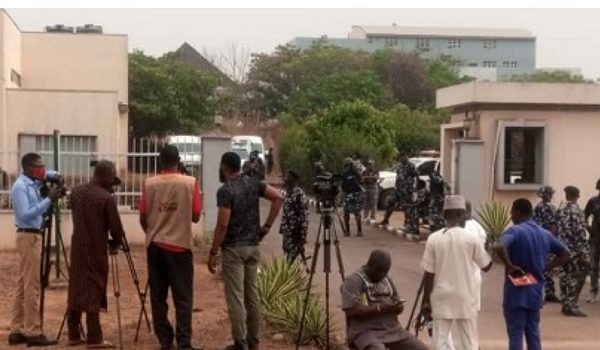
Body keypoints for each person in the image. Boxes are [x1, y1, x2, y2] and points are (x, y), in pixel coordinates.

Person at [208, 152, 283, 350]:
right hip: (252, 246)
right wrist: (265, 227)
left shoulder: (225, 190)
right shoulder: (254, 183)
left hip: (233, 249)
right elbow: (278, 198)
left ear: (224, 167)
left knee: (236, 297)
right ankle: (253, 340)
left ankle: (240, 341)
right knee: (252, 294)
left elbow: (223, 224)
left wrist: (213, 251)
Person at [139, 145, 203, 350]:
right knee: (183, 297)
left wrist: (153, 230)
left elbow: (143, 216)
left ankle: (166, 340)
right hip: (180, 247)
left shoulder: (149, 184)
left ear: (160, 161)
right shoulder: (190, 183)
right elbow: (195, 216)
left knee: (158, 297)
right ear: (178, 161)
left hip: (155, 246)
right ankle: (184, 342)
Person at [495, 198, 570, 350]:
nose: (511, 217)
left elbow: (499, 245)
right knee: (533, 332)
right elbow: (565, 254)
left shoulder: (514, 231)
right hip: (535, 289)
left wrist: (509, 265)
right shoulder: (544, 233)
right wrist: (546, 266)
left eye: (512, 213)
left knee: (516, 333)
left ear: (517, 212)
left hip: (516, 290)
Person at [420, 195, 492, 350]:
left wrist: (426, 300)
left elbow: (429, 273)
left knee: (440, 342)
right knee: (469, 343)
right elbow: (486, 266)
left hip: (441, 298)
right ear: (462, 214)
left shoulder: (434, 239)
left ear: (444, 215)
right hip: (466, 297)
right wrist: (492, 250)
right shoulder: (472, 238)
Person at [67, 160, 125, 348]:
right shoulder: (106, 198)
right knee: (94, 287)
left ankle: (73, 333)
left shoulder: (76, 192)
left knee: (76, 286)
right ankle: (94, 337)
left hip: (78, 247)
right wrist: (116, 242)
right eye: (111, 177)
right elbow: (116, 229)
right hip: (96, 249)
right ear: (106, 176)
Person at [8, 153, 63, 347]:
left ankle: (16, 329)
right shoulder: (20, 187)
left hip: (33, 235)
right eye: (39, 167)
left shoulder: (33, 181)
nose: (43, 170)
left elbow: (49, 175)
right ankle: (32, 330)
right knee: (32, 285)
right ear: (30, 169)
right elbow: (25, 214)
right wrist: (49, 200)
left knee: (23, 282)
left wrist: (56, 177)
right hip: (28, 235)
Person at [341, 249, 428, 350]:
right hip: (366, 332)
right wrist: (379, 308)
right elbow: (350, 310)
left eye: (385, 271)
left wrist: (398, 307)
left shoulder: (386, 279)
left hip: (392, 330)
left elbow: (396, 300)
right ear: (369, 264)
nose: (382, 274)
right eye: (378, 270)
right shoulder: (354, 280)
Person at [556, 185, 590, 317]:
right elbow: (580, 233)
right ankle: (571, 306)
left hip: (562, 247)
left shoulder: (561, 209)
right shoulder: (577, 211)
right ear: (577, 195)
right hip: (574, 249)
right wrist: (584, 253)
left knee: (564, 275)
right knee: (575, 276)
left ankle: (565, 303)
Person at [533, 185, 561, 303]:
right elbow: (552, 225)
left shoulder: (538, 207)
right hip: (547, 240)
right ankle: (546, 293)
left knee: (543, 266)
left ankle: (547, 292)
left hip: (539, 239)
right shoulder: (549, 208)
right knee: (547, 267)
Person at [379, 153, 417, 227]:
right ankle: (386, 219)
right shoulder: (399, 166)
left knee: (406, 207)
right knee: (390, 203)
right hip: (398, 189)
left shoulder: (411, 166)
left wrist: (413, 189)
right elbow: (398, 177)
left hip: (407, 190)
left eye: (405, 157)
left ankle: (407, 223)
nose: (403, 158)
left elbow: (415, 176)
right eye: (402, 157)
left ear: (407, 157)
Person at [279, 170, 309, 263]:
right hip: (287, 231)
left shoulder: (299, 195)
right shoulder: (289, 192)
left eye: (288, 177)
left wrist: (303, 235)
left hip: (295, 232)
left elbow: (304, 216)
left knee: (292, 259)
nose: (286, 178)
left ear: (294, 179)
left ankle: (293, 276)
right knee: (288, 254)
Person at [584, 178, 600, 303]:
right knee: (593, 266)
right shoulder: (593, 201)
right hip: (595, 238)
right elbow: (585, 215)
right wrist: (588, 227)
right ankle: (594, 292)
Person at [341, 158, 365, 237]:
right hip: (348, 195)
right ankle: (347, 231)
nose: (347, 166)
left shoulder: (356, 173)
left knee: (357, 214)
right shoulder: (345, 174)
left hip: (357, 195)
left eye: (348, 165)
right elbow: (343, 187)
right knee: (346, 213)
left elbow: (361, 183)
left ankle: (359, 231)